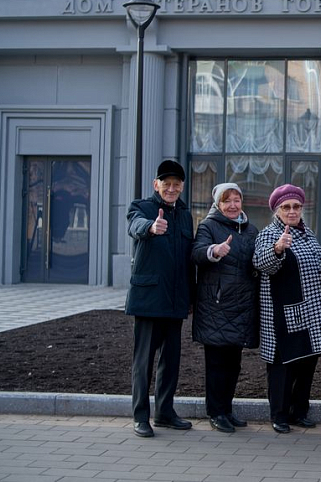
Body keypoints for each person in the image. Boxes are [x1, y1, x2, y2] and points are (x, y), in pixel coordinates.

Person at [253, 184, 321, 434]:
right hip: (281, 313)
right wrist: (277, 249)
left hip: (310, 312)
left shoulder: (307, 233)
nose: (292, 211)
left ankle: (299, 411)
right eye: (286, 207)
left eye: (296, 206)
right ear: (276, 210)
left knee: (307, 363)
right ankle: (279, 414)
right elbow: (261, 263)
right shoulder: (269, 234)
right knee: (282, 366)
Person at [125, 159, 195, 438]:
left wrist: (190, 296)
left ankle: (165, 412)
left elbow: (188, 259)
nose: (172, 188)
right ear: (157, 185)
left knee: (171, 360)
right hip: (149, 298)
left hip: (176, 300)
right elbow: (136, 226)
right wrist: (151, 228)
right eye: (166, 184)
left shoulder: (186, 214)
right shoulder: (141, 207)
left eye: (176, 184)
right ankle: (141, 416)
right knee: (143, 362)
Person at [191, 183, 259, 434]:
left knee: (234, 364)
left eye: (236, 200)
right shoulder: (208, 226)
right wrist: (214, 251)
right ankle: (216, 412)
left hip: (242, 307)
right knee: (217, 364)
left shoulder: (251, 229)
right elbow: (196, 254)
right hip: (216, 305)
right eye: (226, 200)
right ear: (217, 204)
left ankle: (227, 410)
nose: (232, 205)